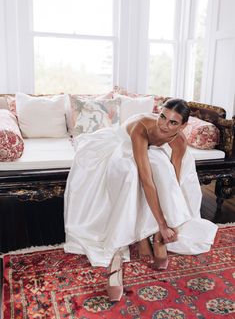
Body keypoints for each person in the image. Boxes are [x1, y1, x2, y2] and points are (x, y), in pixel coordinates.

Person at [64, 98, 218, 302]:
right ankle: (141, 237)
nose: (164, 124)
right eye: (162, 116)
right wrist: (163, 224)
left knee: (164, 170)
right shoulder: (142, 128)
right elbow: (146, 181)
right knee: (131, 173)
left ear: (183, 126)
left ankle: (154, 235)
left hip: (154, 150)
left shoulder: (179, 142)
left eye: (173, 122)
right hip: (122, 143)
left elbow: (174, 180)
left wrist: (167, 223)